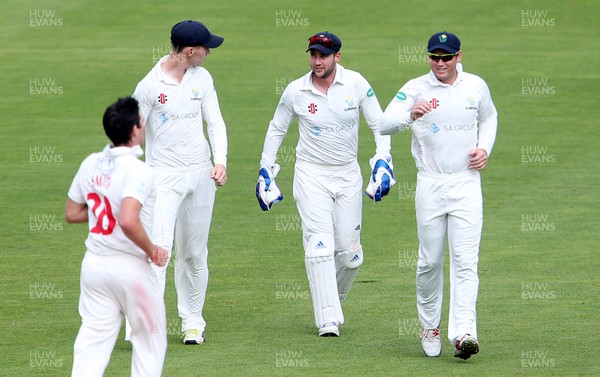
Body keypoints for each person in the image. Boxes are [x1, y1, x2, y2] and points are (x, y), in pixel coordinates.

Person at [256, 31, 394, 337]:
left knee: (350, 254)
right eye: (313, 55)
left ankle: (330, 296)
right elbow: (276, 128)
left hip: (347, 175)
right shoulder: (296, 90)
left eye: (323, 56)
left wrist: (383, 160)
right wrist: (266, 168)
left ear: (337, 57)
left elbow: (379, 124)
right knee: (320, 246)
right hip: (311, 175)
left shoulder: (356, 84)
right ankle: (327, 319)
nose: (317, 61)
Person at [379, 31, 498, 360]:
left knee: (465, 262)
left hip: (466, 183)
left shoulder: (475, 86)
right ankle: (429, 326)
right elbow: (384, 123)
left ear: (459, 56)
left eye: (447, 57)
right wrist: (410, 115)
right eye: (435, 57)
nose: (440, 63)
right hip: (430, 184)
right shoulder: (415, 88)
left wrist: (484, 149)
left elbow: (489, 117)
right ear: (428, 57)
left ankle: (464, 333)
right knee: (429, 261)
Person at [131, 20, 228, 345]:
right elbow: (134, 135)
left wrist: (220, 161)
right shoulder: (149, 86)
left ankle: (193, 323)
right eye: (205, 47)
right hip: (163, 178)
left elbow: (214, 121)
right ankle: (145, 326)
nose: (209, 52)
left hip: (201, 175)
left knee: (195, 254)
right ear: (190, 51)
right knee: (158, 252)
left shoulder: (203, 77)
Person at [66, 97, 168, 376]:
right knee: (149, 344)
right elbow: (127, 219)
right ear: (134, 130)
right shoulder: (140, 170)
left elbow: (73, 212)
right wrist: (152, 250)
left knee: (91, 347)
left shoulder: (90, 163)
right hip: (131, 270)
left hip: (94, 267)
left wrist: (105, 212)